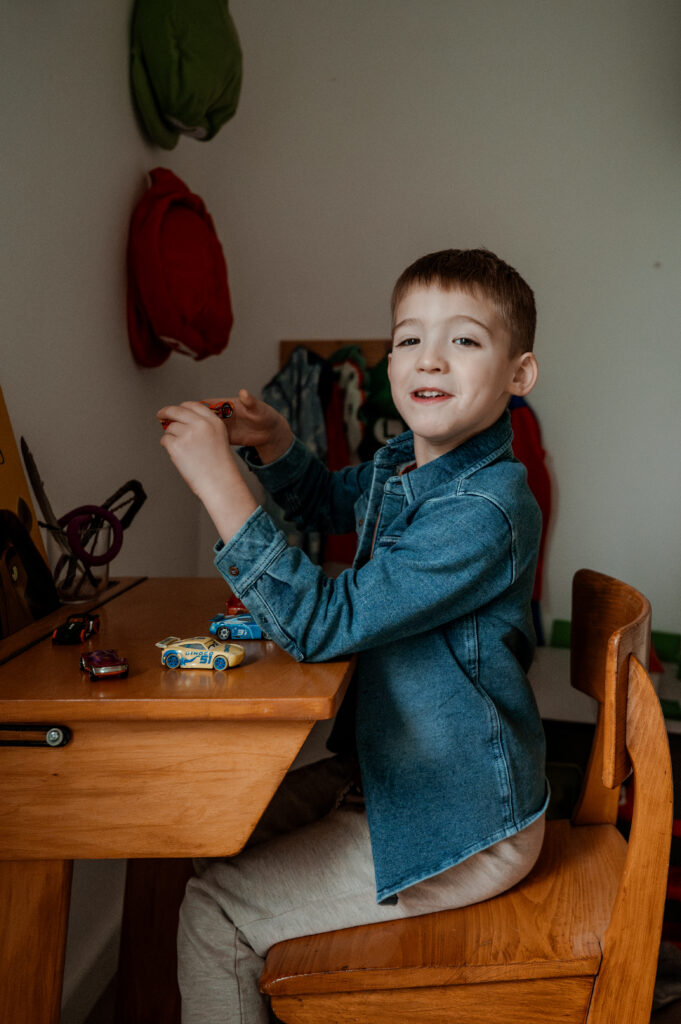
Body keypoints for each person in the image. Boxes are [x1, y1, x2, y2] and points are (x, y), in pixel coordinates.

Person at [158, 248, 549, 1024]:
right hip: (398, 777)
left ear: (518, 375)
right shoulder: (410, 462)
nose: (428, 357)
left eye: (464, 340)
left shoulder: (485, 510)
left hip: (465, 820)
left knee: (213, 910)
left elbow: (318, 624)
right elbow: (332, 499)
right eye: (408, 338)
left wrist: (218, 483)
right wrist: (270, 446)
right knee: (214, 830)